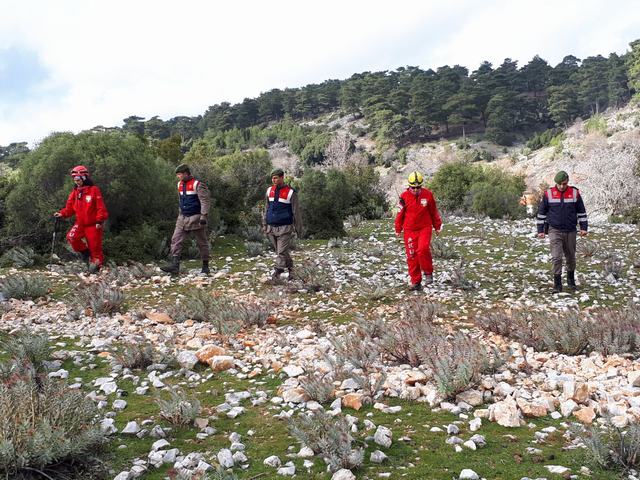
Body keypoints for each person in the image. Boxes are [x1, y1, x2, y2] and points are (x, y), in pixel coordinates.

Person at [536, 170, 588, 293]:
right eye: (559, 184)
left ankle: (571, 281)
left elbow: (581, 212)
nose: (561, 186)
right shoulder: (548, 194)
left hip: (570, 230)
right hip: (554, 230)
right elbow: (542, 213)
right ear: (556, 183)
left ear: (567, 182)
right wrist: (540, 230)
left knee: (570, 257)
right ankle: (557, 284)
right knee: (556, 257)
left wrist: (584, 227)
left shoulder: (575, 193)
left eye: (564, 184)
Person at [54, 165, 109, 273]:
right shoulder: (75, 192)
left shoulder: (94, 190)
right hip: (80, 223)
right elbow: (69, 209)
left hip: (93, 224)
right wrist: (61, 214)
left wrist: (99, 220)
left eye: (78, 179)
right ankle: (85, 252)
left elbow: (100, 207)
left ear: (84, 178)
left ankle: (96, 270)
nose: (76, 182)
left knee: (95, 249)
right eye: (75, 180)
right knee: (72, 237)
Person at [395, 171, 442, 291]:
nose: (416, 190)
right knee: (411, 255)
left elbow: (433, 212)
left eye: (418, 187)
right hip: (409, 229)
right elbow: (400, 214)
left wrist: (437, 226)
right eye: (413, 187)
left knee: (422, 249)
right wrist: (398, 228)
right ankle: (416, 282)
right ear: (409, 186)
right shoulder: (404, 197)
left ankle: (428, 273)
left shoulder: (428, 195)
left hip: (424, 227)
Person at [161, 164, 211, 275]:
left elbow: (205, 201)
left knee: (201, 242)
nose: (178, 176)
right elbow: (181, 200)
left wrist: (204, 216)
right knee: (175, 240)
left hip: (196, 218)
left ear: (186, 173)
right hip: (182, 218)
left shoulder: (197, 185)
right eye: (177, 175)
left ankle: (205, 266)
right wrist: (180, 214)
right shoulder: (179, 184)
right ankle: (175, 266)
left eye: (179, 174)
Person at [262, 168, 303, 280]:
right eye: (272, 178)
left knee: (280, 252)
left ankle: (277, 273)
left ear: (282, 177)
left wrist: (299, 229)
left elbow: (296, 212)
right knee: (281, 251)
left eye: (275, 178)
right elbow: (266, 208)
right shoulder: (269, 190)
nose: (273, 180)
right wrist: (264, 224)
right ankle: (291, 270)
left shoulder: (291, 192)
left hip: (285, 227)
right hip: (271, 227)